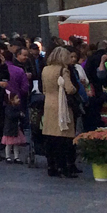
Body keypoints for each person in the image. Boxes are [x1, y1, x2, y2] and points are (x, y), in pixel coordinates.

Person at [42, 46, 78, 178]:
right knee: (63, 138)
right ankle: (63, 166)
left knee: (51, 137)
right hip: (61, 106)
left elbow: (44, 89)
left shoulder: (45, 69)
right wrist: (75, 88)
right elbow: (69, 89)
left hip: (48, 104)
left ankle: (51, 166)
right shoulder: (63, 70)